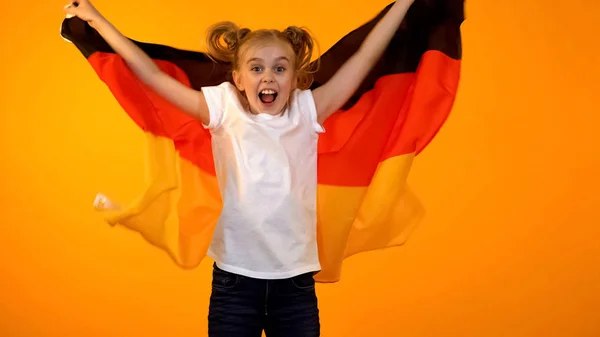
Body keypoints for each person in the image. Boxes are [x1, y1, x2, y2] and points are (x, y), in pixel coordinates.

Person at [63, 0, 416, 336]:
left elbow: (366, 57)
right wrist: (96, 19)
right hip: (235, 282)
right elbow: (153, 77)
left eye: (280, 68)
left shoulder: (309, 111)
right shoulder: (222, 110)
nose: (269, 77)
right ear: (238, 78)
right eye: (257, 68)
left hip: (295, 285)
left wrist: (403, 4)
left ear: (295, 78)